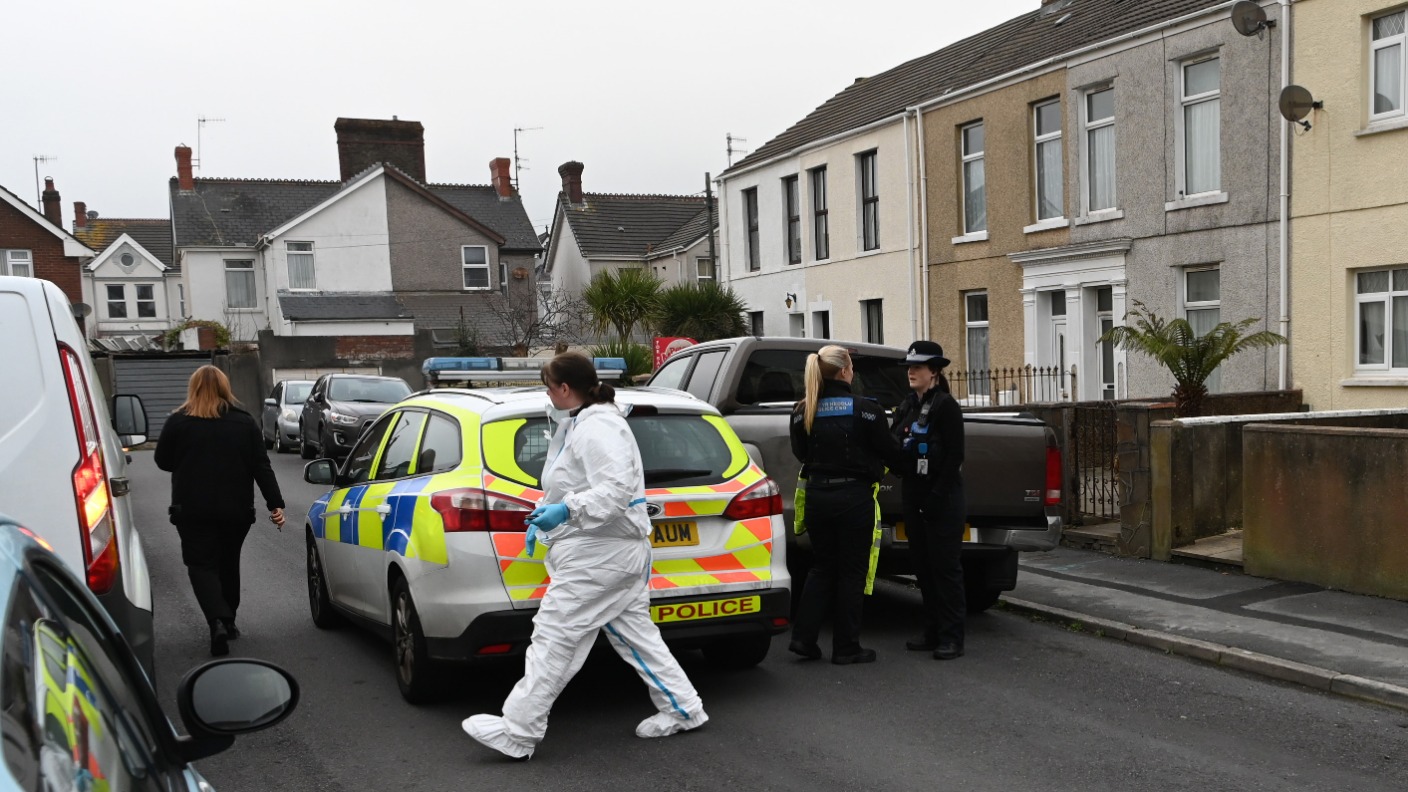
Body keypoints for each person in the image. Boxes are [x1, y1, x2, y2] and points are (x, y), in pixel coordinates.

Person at [463, 352, 706, 760]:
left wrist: (567, 512)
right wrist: (549, 519)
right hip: (606, 550)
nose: (545, 393)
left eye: (547, 386)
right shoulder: (582, 423)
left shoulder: (598, 428)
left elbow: (613, 492)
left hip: (601, 554)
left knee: (555, 635)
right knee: (635, 636)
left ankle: (519, 731)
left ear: (563, 389)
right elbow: (574, 483)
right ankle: (684, 707)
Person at [154, 365, 285, 657]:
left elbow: (162, 461)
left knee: (201, 565)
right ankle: (229, 619)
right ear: (226, 388)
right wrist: (275, 503)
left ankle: (216, 622)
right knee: (228, 562)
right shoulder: (243, 422)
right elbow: (261, 466)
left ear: (194, 388)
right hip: (236, 510)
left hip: (191, 510)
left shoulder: (178, 422)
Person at [787, 345, 901, 665]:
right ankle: (846, 647)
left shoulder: (802, 410)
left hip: (817, 498)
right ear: (844, 372)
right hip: (854, 499)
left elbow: (802, 454)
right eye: (852, 367)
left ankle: (803, 639)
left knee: (822, 568)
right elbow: (889, 452)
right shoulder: (867, 409)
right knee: (852, 572)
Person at [890, 341, 967, 660]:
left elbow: (954, 457)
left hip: (942, 497)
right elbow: (893, 444)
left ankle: (952, 637)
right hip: (914, 493)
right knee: (922, 567)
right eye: (909, 367)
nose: (911, 372)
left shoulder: (946, 406)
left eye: (918, 367)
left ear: (934, 372)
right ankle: (932, 630)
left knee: (944, 569)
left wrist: (937, 496)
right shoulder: (907, 405)